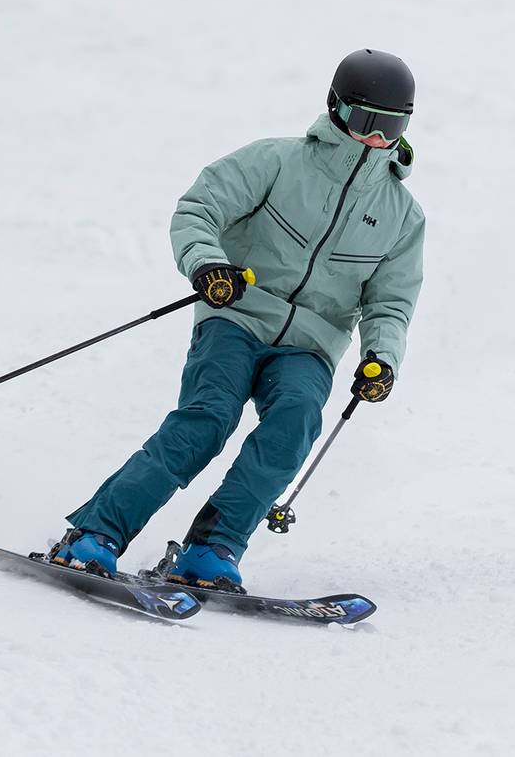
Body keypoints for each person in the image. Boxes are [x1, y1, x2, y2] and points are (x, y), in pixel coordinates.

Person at [52, 49, 426, 591]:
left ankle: (212, 549)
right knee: (208, 419)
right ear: (337, 108)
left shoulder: (402, 215)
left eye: (391, 127)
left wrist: (381, 358)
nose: (376, 138)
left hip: (311, 345)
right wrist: (207, 265)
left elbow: (390, 302)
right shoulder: (277, 161)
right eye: (366, 120)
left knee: (294, 424)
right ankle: (95, 533)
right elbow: (199, 208)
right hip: (236, 316)